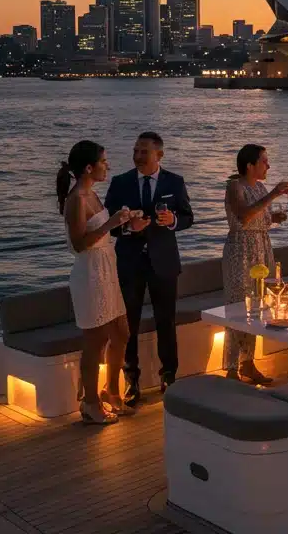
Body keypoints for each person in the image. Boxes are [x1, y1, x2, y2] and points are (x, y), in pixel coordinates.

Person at [103, 131, 194, 406]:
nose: (138, 156)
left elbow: (188, 217)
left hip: (163, 262)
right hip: (129, 263)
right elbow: (107, 222)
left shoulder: (174, 182)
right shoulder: (120, 182)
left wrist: (172, 220)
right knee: (127, 325)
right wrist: (129, 227)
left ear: (159, 155)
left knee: (166, 321)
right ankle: (132, 381)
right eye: (136, 150)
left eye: (144, 151)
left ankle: (169, 376)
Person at [57, 140, 134, 424]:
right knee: (95, 340)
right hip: (89, 273)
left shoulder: (92, 195)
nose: (108, 166)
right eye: (103, 161)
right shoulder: (76, 199)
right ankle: (89, 403)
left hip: (106, 269)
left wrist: (125, 223)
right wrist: (111, 224)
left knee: (122, 332)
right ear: (89, 168)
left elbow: (101, 233)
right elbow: (79, 244)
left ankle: (110, 391)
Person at [222, 144, 288, 384]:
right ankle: (231, 368)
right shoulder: (234, 186)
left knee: (256, 307)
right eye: (264, 161)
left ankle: (248, 364)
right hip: (240, 251)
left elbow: (258, 218)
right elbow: (243, 216)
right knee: (238, 307)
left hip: (261, 248)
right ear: (250, 165)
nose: (268, 166)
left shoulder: (259, 187)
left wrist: (273, 218)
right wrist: (273, 195)